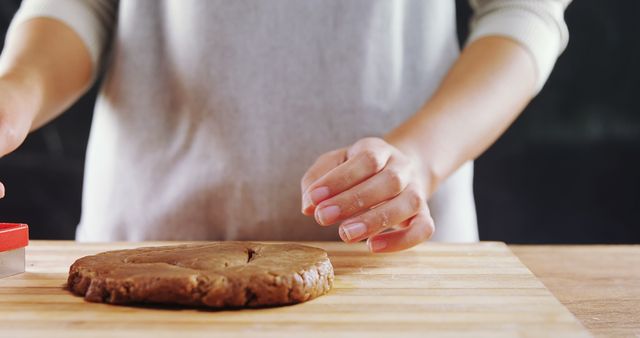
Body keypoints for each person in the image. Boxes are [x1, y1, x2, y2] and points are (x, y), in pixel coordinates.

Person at [0, 0, 571, 252]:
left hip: (390, 256)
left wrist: (420, 155)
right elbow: (79, 5)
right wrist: (13, 95)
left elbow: (523, 11)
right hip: (140, 245)